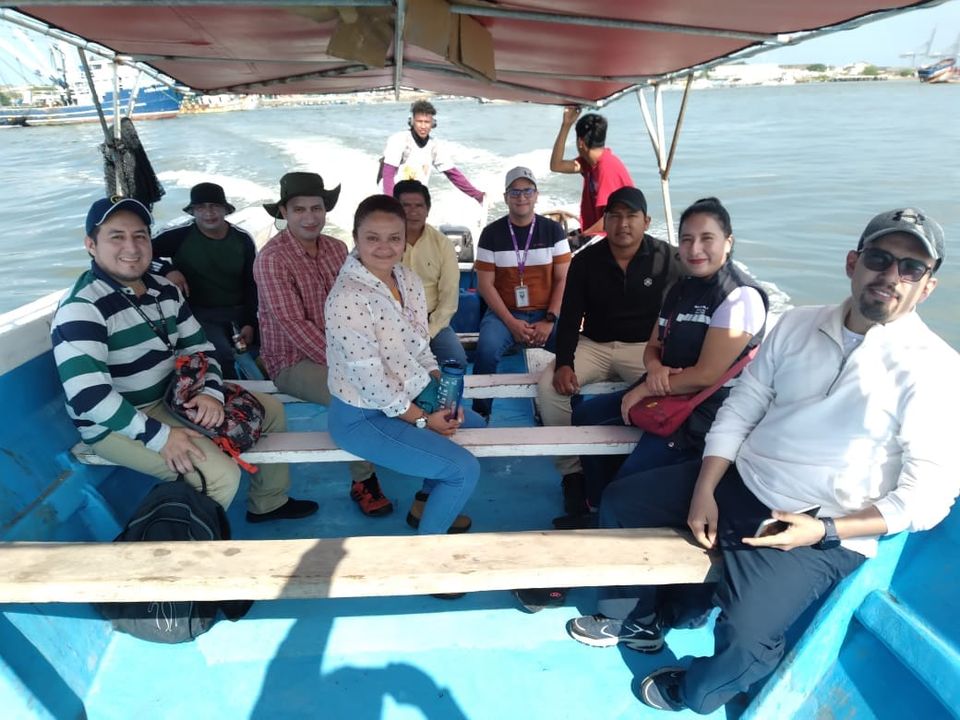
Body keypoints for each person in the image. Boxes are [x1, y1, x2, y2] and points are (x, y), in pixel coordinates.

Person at [565, 208, 960, 715]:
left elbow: (928, 497)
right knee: (622, 502)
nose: (892, 276)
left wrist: (825, 530)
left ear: (927, 286)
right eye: (880, 259)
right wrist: (707, 487)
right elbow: (742, 408)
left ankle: (694, 691)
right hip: (740, 480)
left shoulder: (934, 369)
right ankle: (639, 620)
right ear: (853, 263)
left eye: (911, 268)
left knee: (746, 640)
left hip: (814, 525)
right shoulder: (797, 325)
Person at [51, 196, 317, 523]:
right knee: (220, 476)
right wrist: (161, 437)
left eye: (140, 236)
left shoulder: (164, 290)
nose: (131, 247)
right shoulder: (83, 307)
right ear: (91, 245)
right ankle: (183, 551)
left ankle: (269, 503)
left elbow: (200, 350)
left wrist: (210, 394)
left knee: (271, 412)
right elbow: (88, 397)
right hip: (114, 421)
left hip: (175, 396)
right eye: (116, 236)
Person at [566, 197, 768, 527]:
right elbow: (653, 346)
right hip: (665, 390)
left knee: (626, 490)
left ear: (728, 242)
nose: (695, 249)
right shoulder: (681, 288)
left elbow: (706, 375)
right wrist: (655, 368)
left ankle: (614, 512)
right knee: (586, 415)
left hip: (701, 412)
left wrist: (646, 388)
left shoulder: (739, 297)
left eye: (707, 238)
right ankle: (596, 505)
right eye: (686, 239)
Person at [326, 194, 483, 537]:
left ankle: (425, 504)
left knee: (476, 425)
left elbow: (420, 345)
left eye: (394, 238)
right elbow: (373, 384)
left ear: (405, 239)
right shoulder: (347, 297)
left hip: (408, 394)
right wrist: (424, 419)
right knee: (462, 470)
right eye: (372, 238)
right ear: (355, 238)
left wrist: (442, 391)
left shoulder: (406, 279)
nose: (384, 248)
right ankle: (428, 552)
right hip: (362, 416)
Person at [536, 187, 681, 527]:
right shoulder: (586, 261)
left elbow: (683, 311)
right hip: (595, 344)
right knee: (549, 389)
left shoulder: (669, 259)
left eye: (631, 216)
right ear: (604, 221)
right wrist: (565, 362)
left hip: (644, 348)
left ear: (646, 221)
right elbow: (570, 317)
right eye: (614, 216)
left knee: (667, 395)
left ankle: (643, 470)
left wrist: (666, 358)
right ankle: (572, 473)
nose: (623, 224)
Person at [253, 172, 383, 517]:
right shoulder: (271, 259)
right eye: (299, 209)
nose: (310, 217)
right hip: (291, 360)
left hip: (343, 349)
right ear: (284, 212)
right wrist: (353, 363)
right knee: (355, 395)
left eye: (316, 208)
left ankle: (388, 445)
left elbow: (357, 301)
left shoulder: (337, 249)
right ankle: (364, 480)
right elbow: (294, 325)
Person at [472, 166, 571, 420]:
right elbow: (485, 285)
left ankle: (573, 408)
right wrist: (511, 323)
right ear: (506, 197)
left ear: (536, 195)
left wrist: (550, 320)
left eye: (527, 191)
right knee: (486, 349)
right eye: (515, 192)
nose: (521, 197)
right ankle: (481, 413)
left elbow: (563, 279)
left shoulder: (553, 231)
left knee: (573, 351)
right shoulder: (491, 234)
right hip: (505, 314)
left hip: (547, 313)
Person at [151, 182, 258, 380]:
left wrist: (250, 322)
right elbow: (141, 255)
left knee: (266, 346)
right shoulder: (178, 236)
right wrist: (167, 270)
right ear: (192, 211)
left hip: (239, 311)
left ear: (225, 209)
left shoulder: (242, 239)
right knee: (220, 355)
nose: (209, 213)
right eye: (201, 207)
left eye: (215, 206)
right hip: (199, 313)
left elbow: (253, 285)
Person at [392, 179, 467, 368]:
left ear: (428, 210)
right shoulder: (383, 243)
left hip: (431, 321)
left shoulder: (442, 244)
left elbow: (449, 298)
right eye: (406, 206)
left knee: (457, 362)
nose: (413, 212)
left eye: (419, 206)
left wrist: (428, 332)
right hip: (390, 320)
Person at [550, 107, 634, 238]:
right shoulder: (589, 163)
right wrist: (566, 125)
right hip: (599, 234)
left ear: (580, 142)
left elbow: (611, 218)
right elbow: (556, 165)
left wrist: (580, 237)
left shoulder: (607, 168)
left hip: (614, 238)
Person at [381, 99, 484, 204]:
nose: (423, 126)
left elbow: (452, 173)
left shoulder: (434, 146)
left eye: (427, 122)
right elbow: (388, 174)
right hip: (393, 196)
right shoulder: (399, 140)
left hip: (416, 199)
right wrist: (391, 204)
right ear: (412, 122)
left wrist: (478, 195)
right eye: (419, 121)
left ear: (433, 124)